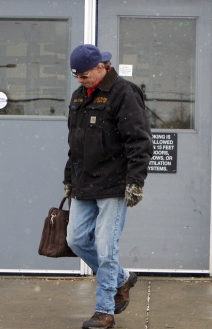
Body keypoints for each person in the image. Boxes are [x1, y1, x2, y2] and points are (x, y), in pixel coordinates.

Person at [64, 44, 153, 329]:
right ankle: (122, 278)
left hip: (114, 184)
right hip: (84, 182)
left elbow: (139, 141)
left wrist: (135, 181)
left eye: (84, 75)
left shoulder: (124, 93)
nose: (80, 80)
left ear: (102, 67)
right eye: (76, 76)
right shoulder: (79, 96)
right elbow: (75, 144)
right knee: (76, 240)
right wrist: (69, 178)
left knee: (106, 249)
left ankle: (104, 310)